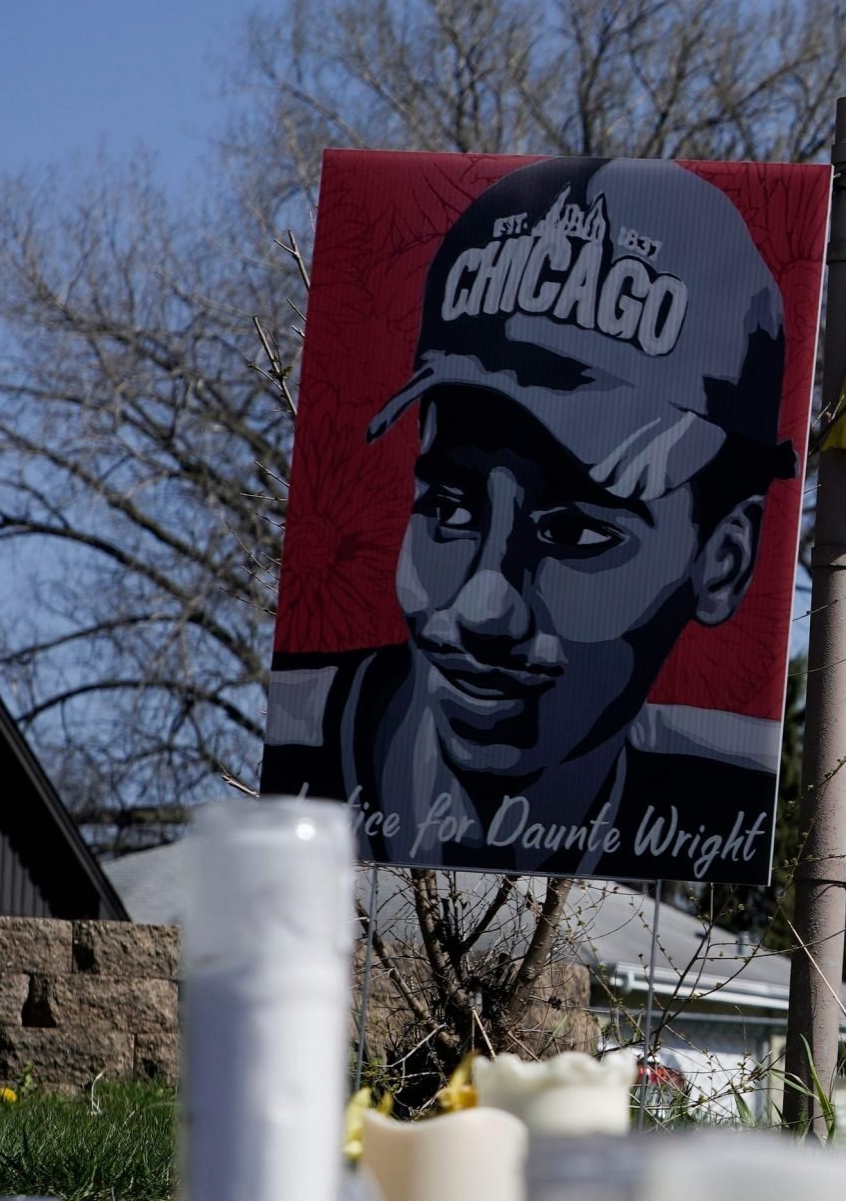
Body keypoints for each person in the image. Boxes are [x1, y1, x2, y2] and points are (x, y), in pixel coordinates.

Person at [262, 157, 793, 880]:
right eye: (448, 511)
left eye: (575, 533)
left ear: (724, 560)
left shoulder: (721, 801)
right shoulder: (292, 769)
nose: (486, 606)